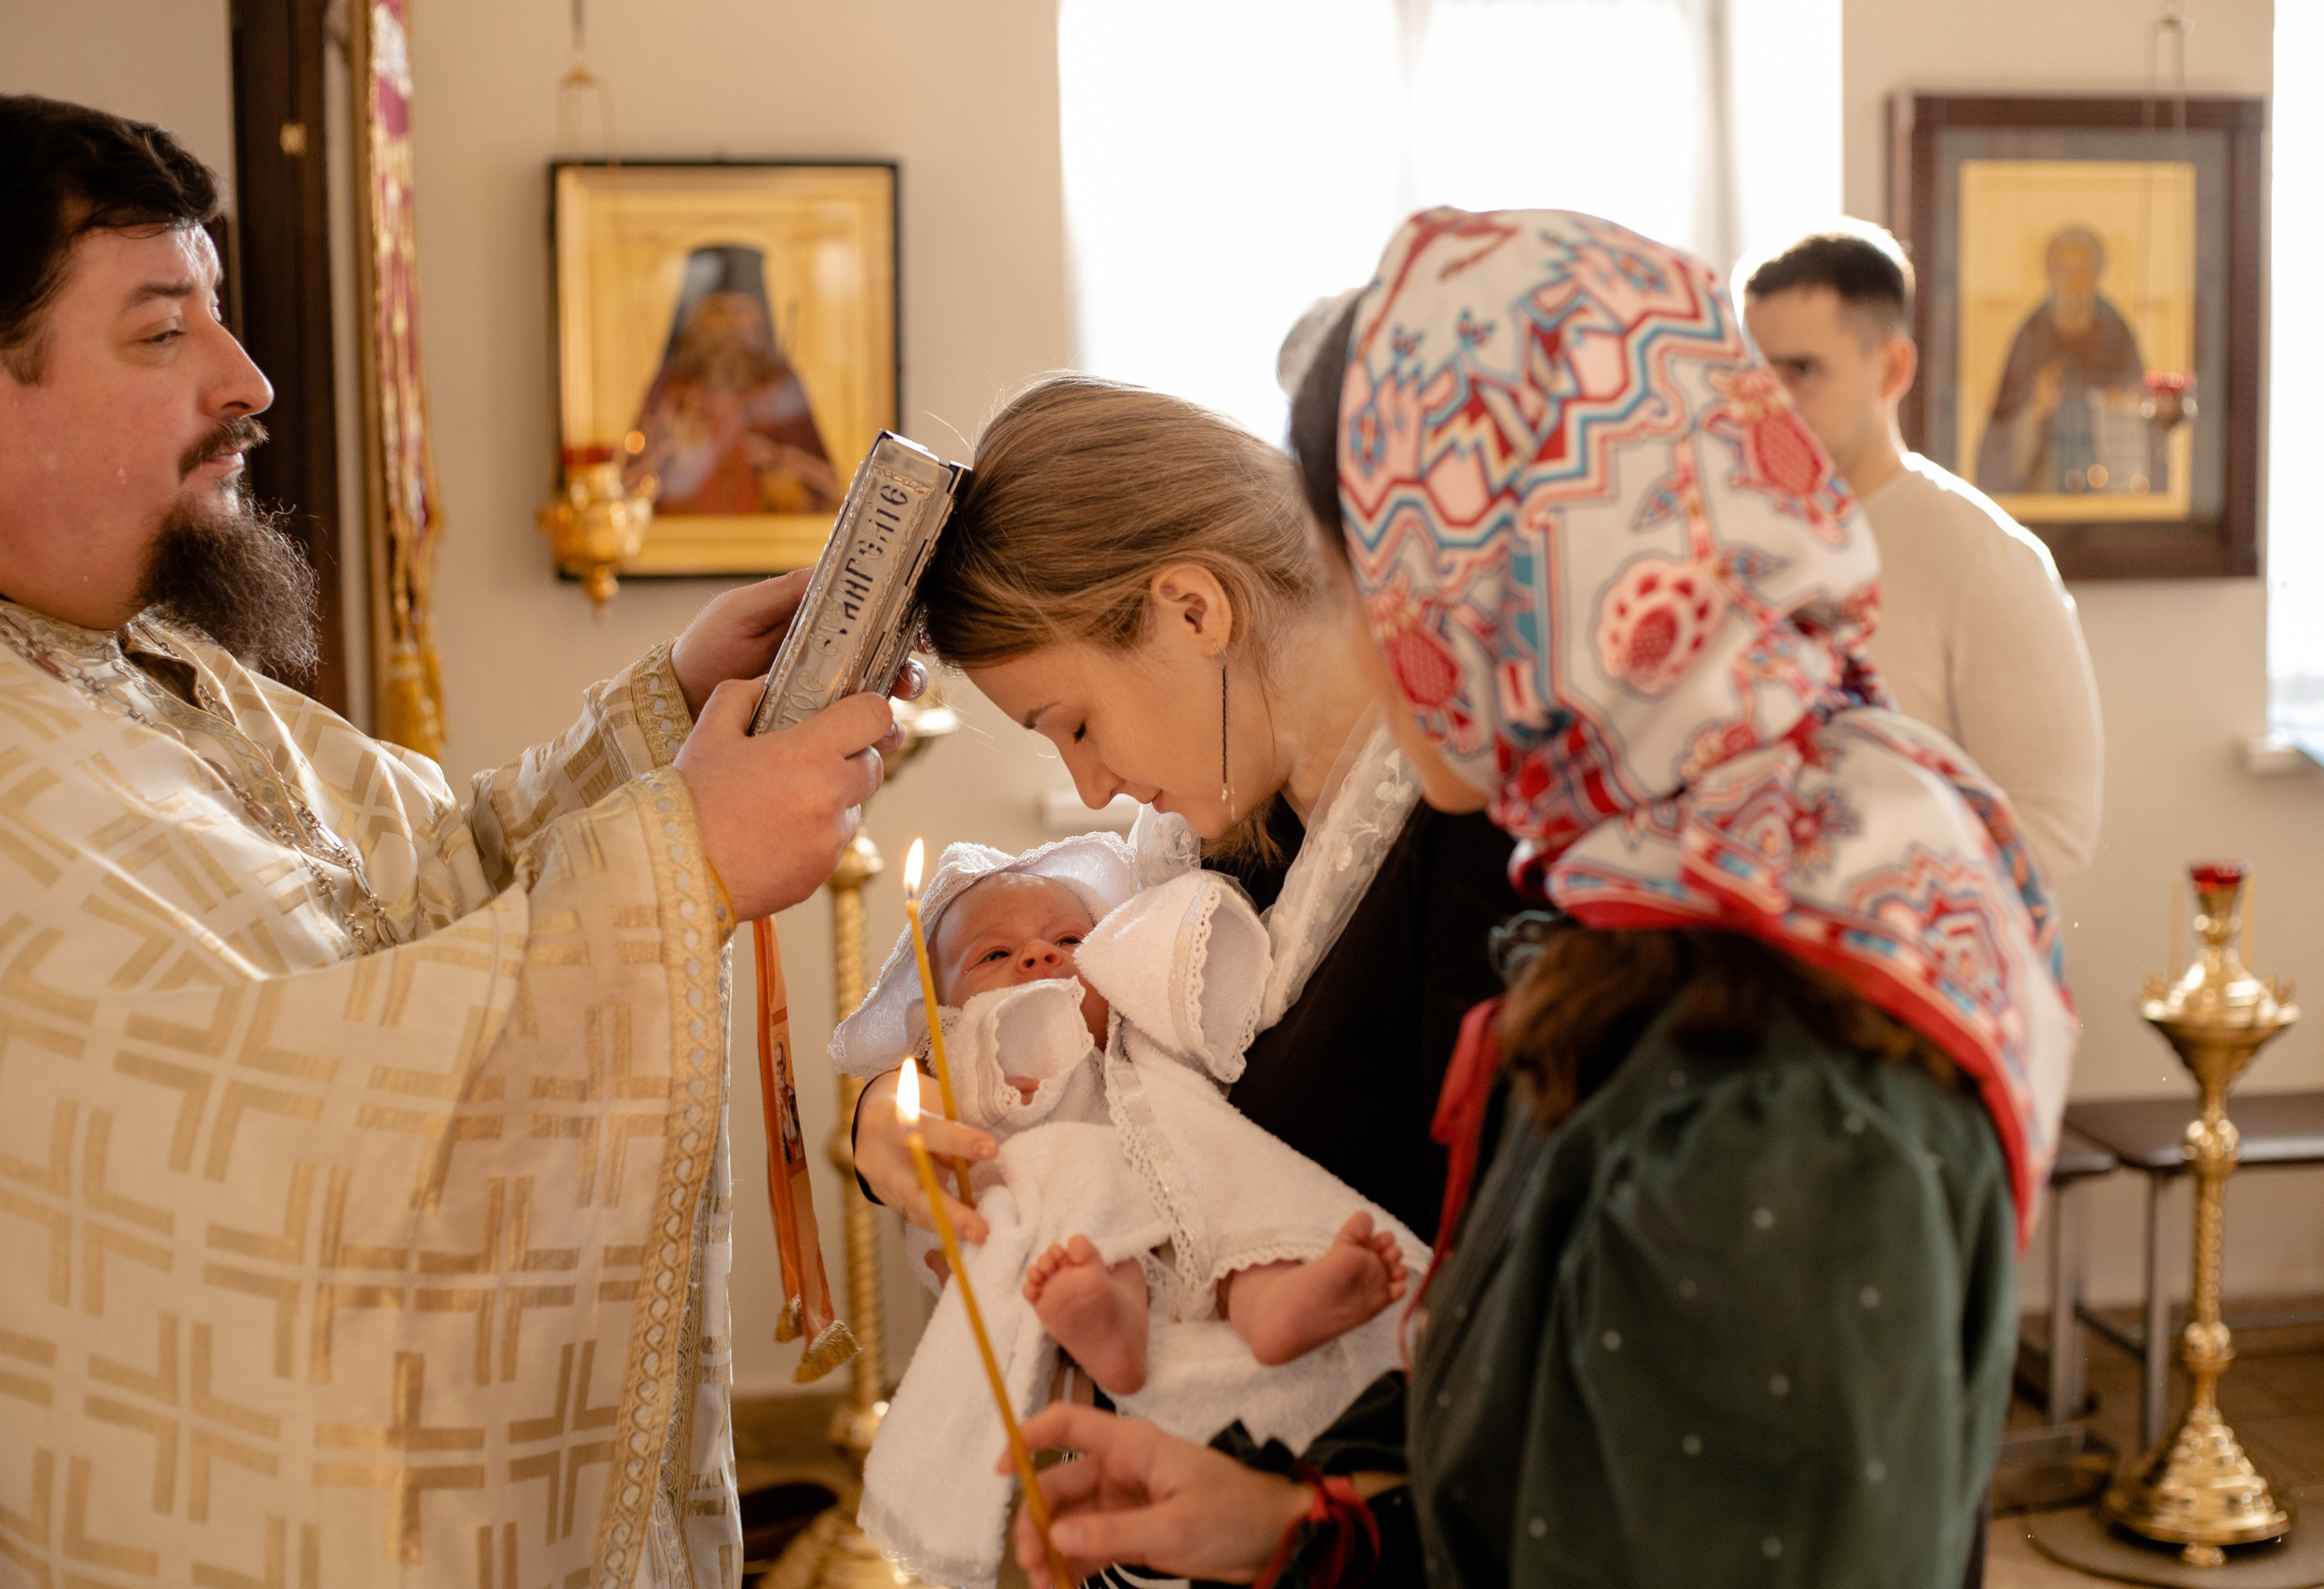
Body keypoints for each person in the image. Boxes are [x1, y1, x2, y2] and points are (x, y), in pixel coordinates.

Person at [996, 208, 2076, 1589]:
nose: (1370, 650)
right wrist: (1293, 1525)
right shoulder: (1705, 880)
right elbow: (1568, 1445)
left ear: (1508, 572)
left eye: (1365, 574)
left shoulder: (1778, 1076)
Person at [0, 95, 911, 1587]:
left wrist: (669, 707)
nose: (248, 380)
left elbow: (435, 883)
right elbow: (290, 1152)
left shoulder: (160, 661)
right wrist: (682, 864)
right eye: (162, 333)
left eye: (219, 320)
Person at [849, 372, 1529, 1270]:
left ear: (1194, 609)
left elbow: (1504, 1261)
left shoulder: (1482, 831)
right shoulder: (1214, 833)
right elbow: (1072, 1022)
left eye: (1078, 725)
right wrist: (895, 1109)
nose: (1092, 790)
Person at [832, 835, 1422, 1589]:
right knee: (1070, 1206)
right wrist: (897, 1091)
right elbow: (912, 1103)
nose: (1040, 959)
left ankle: (1277, 1299)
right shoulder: (966, 1054)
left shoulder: (1134, 1034)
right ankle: (1106, 1318)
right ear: (939, 1015)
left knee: (1246, 1208)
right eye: (994, 955)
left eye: (1068, 941)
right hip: (1076, 1225)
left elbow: (1179, 963)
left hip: (1185, 1192)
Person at [1741, 224, 2103, 887]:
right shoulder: (1727, 540)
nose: (1772, 403)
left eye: (1800, 370)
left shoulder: (1984, 559)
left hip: (1902, 963)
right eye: (1755, 375)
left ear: (1894, 369)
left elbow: (2052, 831)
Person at [622, 242, 841, 515]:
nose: (731, 326)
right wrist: (670, 454)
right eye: (720, 314)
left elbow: (832, 488)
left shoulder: (778, 385)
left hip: (770, 543)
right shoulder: (673, 387)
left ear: (759, 318)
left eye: (742, 313)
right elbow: (630, 484)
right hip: (683, 542)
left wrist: (778, 457)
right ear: (697, 320)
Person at [1972, 224, 2156, 498]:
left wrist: (2122, 405)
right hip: (2045, 482)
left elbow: (2144, 409)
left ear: (2097, 274)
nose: (2074, 283)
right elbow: (2000, 430)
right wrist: (2035, 410)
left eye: (2083, 270)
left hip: (2109, 482)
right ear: (2050, 275)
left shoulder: (2115, 329)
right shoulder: (2032, 333)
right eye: (2065, 271)